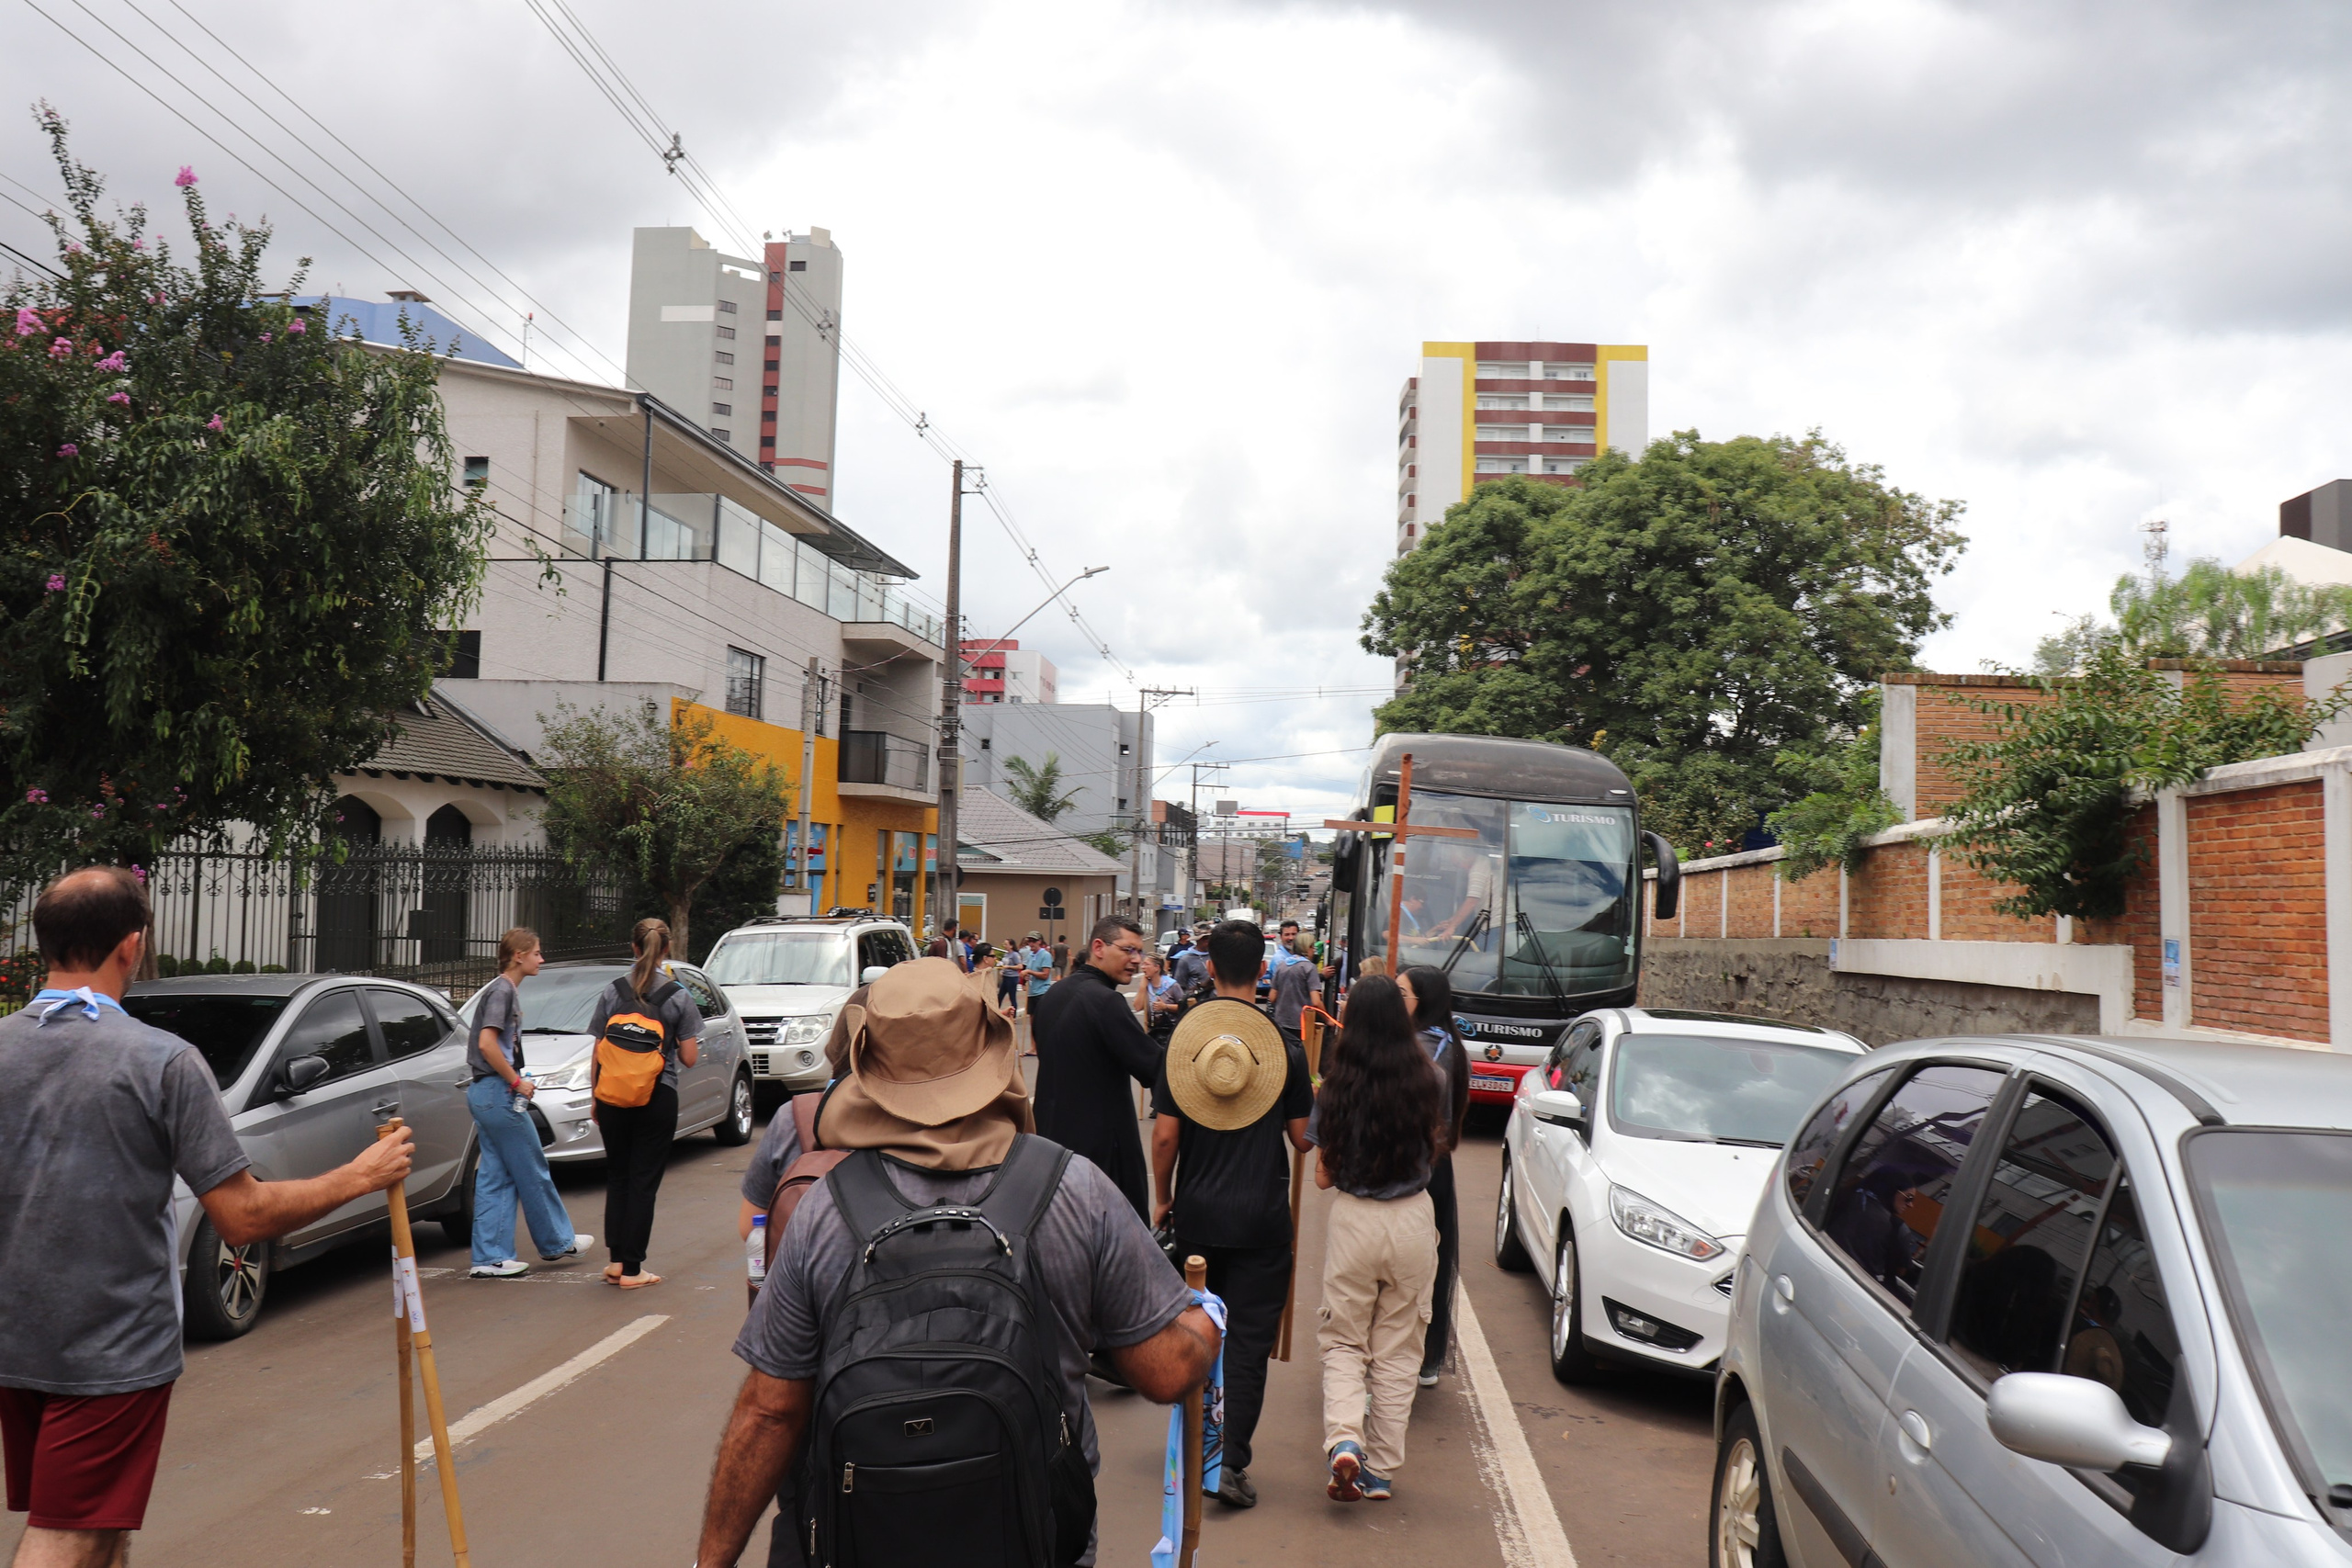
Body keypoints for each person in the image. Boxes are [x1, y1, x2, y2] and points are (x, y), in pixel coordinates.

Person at [695, 958, 1222, 1568]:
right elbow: (1165, 1371)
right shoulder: (1074, 1188)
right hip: (1038, 1539)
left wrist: (711, 1561)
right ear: (989, 1051)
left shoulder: (824, 1209)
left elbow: (769, 1412)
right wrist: (1205, 1326)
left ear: (868, 1068)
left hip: (870, 1535)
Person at [0, 867, 415, 1564]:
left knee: (101, 1520)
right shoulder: (161, 1060)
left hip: (16, 1339)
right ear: (132, 945)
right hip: (109, 1346)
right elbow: (243, 1217)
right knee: (68, 1530)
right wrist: (359, 1177)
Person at [1149, 920, 1311, 1511]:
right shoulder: (1285, 1048)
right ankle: (1229, 1463)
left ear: (1210, 967)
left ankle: (1192, 1451)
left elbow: (1165, 1137)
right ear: (1263, 971)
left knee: (1195, 1337)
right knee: (1246, 1346)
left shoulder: (1185, 1044)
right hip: (1263, 1218)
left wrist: (1163, 1195)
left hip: (1198, 1215)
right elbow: (1303, 1139)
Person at [1306, 974, 1444, 1503]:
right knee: (1399, 1348)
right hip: (1412, 1219)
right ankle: (1381, 1471)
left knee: (1344, 1339)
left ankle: (1345, 1439)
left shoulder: (1336, 1085)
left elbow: (1322, 1177)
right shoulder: (1430, 1078)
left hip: (1354, 1221)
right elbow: (1438, 1146)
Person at [468, 927, 594, 1279]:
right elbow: (487, 1044)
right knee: (532, 1167)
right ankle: (557, 1241)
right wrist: (516, 1081)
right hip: (499, 1093)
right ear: (518, 956)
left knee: (496, 1175)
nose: (542, 959)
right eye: (536, 953)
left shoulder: (500, 990)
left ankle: (489, 1257)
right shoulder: (503, 991)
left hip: (484, 1093)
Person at [586, 918, 703, 1289]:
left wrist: (595, 1096)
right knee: (643, 1181)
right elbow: (689, 1058)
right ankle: (634, 1270)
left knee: (618, 1176)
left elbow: (598, 1049)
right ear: (666, 949)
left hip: (611, 1095)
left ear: (633, 947)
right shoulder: (677, 995)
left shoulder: (613, 991)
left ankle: (617, 1261)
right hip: (657, 1094)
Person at [1031, 916, 1161, 1220]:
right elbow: (1155, 1067)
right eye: (1128, 950)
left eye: (1140, 952)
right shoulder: (1106, 1002)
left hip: (1048, 1148)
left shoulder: (1053, 995)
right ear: (1099, 947)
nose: (1136, 959)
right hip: (1100, 1156)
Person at [1397, 965, 1472, 1387]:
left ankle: (1403, 1359)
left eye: (1401, 994)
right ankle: (1427, 1357)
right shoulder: (1452, 1045)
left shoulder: (1420, 1048)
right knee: (1434, 1263)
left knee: (1407, 1266)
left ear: (1422, 1001)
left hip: (1413, 1167)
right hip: (1439, 1166)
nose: (1395, 1002)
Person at [1266, 919, 1318, 1050]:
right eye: (1287, 934)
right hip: (1300, 1023)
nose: (1291, 938)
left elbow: (1272, 996)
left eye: (1294, 934)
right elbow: (1316, 1001)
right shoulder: (1281, 959)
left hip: (1282, 1020)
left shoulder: (1284, 963)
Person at [1138, 951, 1182, 1043]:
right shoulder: (1146, 986)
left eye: (1146, 964)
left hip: (1171, 1032)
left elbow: (1184, 1007)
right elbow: (1138, 1007)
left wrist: (1165, 1007)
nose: (1143, 967)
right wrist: (1142, 987)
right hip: (1152, 1032)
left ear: (1157, 968)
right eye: (1142, 964)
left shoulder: (1172, 985)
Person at [1023, 932, 1055, 1012]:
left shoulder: (1045, 955)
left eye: (1033, 941)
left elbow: (1045, 975)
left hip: (1042, 992)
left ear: (1039, 941)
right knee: (1032, 1018)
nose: (1031, 944)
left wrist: (1030, 971)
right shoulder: (1030, 955)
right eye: (1029, 941)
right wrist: (1026, 976)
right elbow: (1029, 972)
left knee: (1041, 1017)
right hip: (1031, 992)